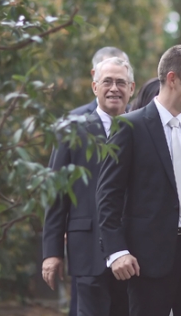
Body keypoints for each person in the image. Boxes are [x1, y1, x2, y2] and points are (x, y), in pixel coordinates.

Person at [97, 45, 181, 316]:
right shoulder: (129, 127)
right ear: (172, 79)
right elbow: (108, 196)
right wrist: (116, 251)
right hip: (147, 260)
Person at [42, 57, 136, 316]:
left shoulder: (142, 129)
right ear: (95, 87)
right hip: (87, 247)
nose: (114, 88)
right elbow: (57, 193)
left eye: (121, 82)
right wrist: (52, 252)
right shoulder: (72, 130)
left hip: (133, 251)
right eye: (107, 82)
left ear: (132, 88)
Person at [71, 47, 130, 116]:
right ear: (94, 74)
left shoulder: (138, 116)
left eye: (121, 66)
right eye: (107, 81)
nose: (114, 88)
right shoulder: (74, 119)